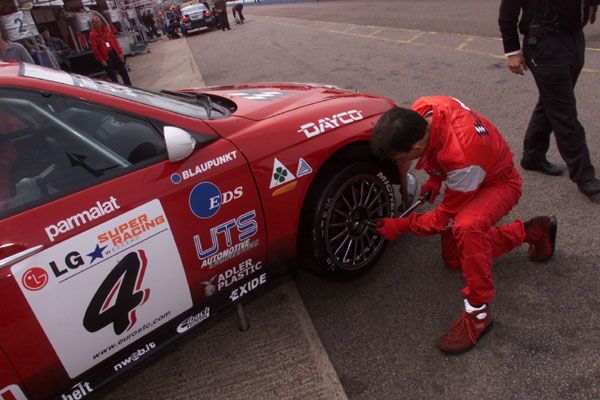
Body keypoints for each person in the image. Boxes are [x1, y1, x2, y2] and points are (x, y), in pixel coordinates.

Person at [370, 96, 557, 354]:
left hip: (499, 182)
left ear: (415, 146)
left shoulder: (462, 155)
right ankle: (532, 231)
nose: (399, 163)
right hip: (476, 169)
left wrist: (401, 225)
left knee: (466, 228)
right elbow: (435, 145)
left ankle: (478, 315)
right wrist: (435, 178)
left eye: (399, 157)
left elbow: (441, 219)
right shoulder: (425, 108)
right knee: (455, 258)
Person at [499, 0, 600, 198]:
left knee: (551, 102)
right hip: (545, 43)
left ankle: (533, 155)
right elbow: (507, 13)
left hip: (573, 39)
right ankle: (585, 177)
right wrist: (512, 51)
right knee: (564, 112)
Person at [89, 16, 132, 86]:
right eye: (96, 22)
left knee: (123, 70)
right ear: (93, 24)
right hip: (105, 56)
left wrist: (120, 52)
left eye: (99, 22)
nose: (98, 24)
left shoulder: (106, 30)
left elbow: (114, 41)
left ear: (101, 22)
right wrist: (101, 60)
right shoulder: (92, 35)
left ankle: (129, 85)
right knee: (112, 75)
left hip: (113, 53)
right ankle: (117, 88)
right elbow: (95, 50)